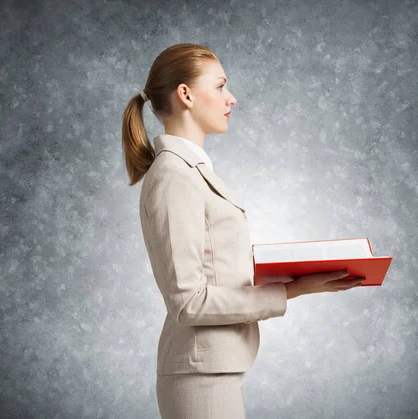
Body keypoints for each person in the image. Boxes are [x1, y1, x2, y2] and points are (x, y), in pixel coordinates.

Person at [121, 43, 365, 419]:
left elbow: (216, 270)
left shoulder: (190, 171)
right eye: (220, 87)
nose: (231, 98)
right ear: (185, 94)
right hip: (200, 376)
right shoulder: (174, 175)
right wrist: (293, 289)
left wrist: (296, 272)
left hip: (213, 370)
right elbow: (188, 302)